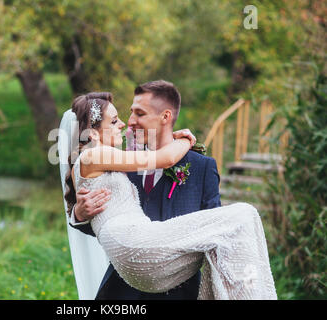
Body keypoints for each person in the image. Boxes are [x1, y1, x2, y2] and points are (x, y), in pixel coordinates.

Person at [63, 82, 277, 299]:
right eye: (123, 116)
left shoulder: (202, 166)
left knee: (239, 221)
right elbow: (105, 221)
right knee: (244, 214)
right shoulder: (119, 162)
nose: (129, 123)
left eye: (139, 113)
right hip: (125, 290)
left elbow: (213, 229)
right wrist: (79, 214)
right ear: (94, 133)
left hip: (178, 290)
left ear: (165, 117)